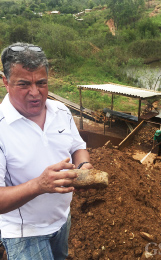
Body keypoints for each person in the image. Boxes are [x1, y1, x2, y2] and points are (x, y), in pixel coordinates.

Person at [0, 42, 93, 260]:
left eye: (41, 83)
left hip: (62, 220)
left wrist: (83, 166)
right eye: (23, 84)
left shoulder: (61, 111)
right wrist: (39, 185)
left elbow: (78, 147)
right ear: (5, 81)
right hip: (24, 233)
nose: (35, 93)